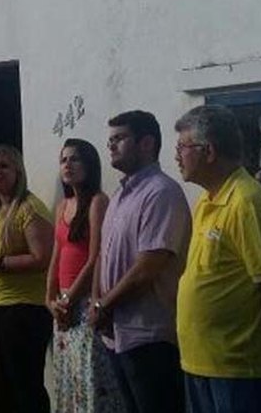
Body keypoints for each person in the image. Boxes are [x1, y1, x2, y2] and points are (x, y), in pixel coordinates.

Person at [174, 105, 261, 413]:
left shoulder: (248, 203)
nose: (176, 156)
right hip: (202, 362)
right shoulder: (207, 200)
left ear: (209, 152)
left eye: (182, 147)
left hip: (241, 370)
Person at [91, 110, 191, 413]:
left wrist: (104, 306)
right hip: (115, 334)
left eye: (119, 138)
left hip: (150, 336)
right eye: (110, 140)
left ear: (146, 143)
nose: (111, 146)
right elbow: (101, 257)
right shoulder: (120, 195)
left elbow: (149, 267)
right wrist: (97, 302)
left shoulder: (161, 192)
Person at [0, 144, 53, 413]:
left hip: (24, 309)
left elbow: (42, 258)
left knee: (24, 386)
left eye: (3, 166)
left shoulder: (29, 208)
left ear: (18, 171)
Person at [46, 138, 124, 413]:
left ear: (89, 165)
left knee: (90, 378)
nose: (68, 165)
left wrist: (68, 299)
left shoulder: (97, 202)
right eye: (64, 160)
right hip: (63, 306)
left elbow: (94, 258)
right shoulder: (62, 206)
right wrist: (50, 299)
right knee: (68, 380)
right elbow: (56, 255)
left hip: (82, 303)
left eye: (75, 159)